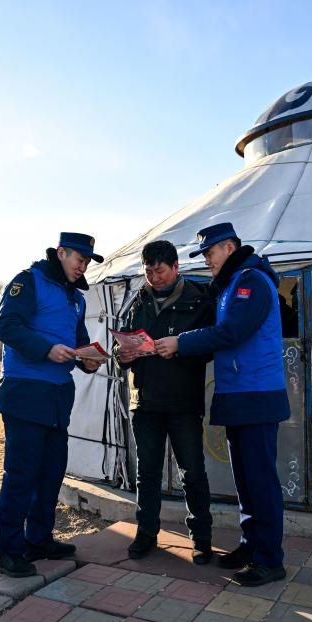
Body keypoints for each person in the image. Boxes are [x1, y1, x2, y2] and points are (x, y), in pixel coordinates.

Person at [155, 222, 290, 587]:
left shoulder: (251, 282)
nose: (207, 260)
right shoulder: (231, 284)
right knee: (245, 480)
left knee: (260, 480)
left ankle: (270, 560)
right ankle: (251, 545)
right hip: (238, 394)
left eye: (210, 252)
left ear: (229, 248)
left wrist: (181, 342)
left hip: (256, 395)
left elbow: (232, 332)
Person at [0, 232, 104, 577]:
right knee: (21, 475)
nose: (83, 267)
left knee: (51, 472)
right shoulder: (29, 282)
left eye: (87, 262)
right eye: (79, 260)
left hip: (57, 395)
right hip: (26, 391)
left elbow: (79, 343)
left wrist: (89, 360)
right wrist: (46, 349)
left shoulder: (76, 298)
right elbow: (6, 326)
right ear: (61, 253)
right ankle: (8, 551)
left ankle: (38, 539)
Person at [115, 240, 214, 564]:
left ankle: (201, 539)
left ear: (175, 267)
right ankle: (146, 534)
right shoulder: (137, 300)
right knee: (147, 473)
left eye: (160, 271)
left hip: (183, 401)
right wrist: (122, 355)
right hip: (145, 402)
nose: (154, 278)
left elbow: (212, 345)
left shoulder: (198, 299)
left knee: (192, 472)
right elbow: (123, 343)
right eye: (149, 272)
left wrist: (181, 347)